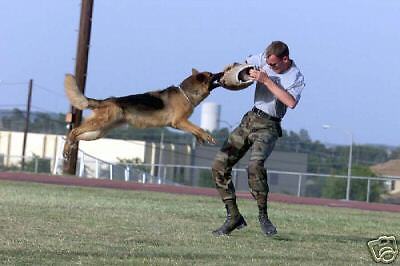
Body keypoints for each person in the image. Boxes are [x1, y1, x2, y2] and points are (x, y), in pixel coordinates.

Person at [211, 41, 305, 236]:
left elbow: (290, 102)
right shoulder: (264, 58)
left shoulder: (295, 76)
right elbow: (242, 67)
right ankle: (233, 216)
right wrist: (241, 74)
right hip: (250, 119)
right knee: (219, 165)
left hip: (269, 126)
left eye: (274, 65)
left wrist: (266, 80)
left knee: (255, 166)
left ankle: (263, 216)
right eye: (268, 64)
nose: (269, 67)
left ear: (285, 59)